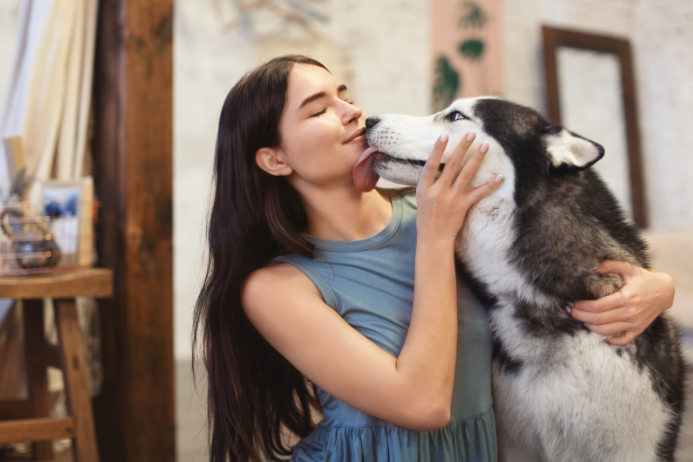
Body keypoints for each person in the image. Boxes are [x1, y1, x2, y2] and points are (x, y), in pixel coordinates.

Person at [192, 55, 676, 462]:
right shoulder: (276, 287)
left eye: (345, 94)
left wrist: (657, 288)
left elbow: (556, 263)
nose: (352, 111)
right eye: (319, 109)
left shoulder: (446, 209)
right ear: (275, 159)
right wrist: (434, 238)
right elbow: (422, 405)